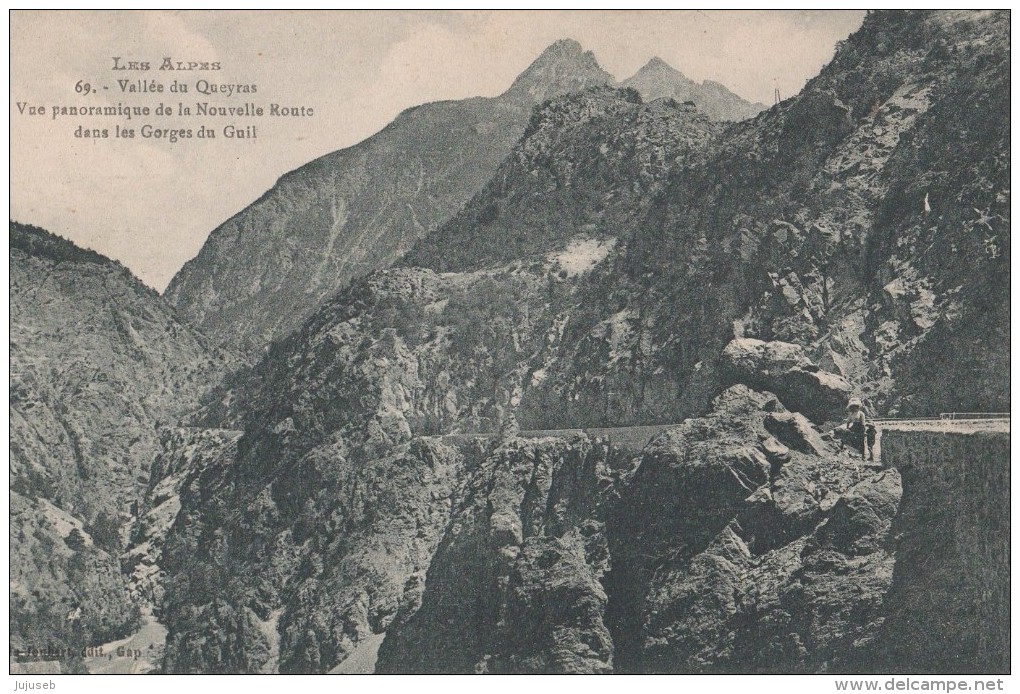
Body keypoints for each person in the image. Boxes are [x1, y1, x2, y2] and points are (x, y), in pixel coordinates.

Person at [843, 397, 876, 461]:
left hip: (860, 428)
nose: (854, 408)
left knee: (861, 442)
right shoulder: (851, 414)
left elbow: (863, 423)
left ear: (857, 406)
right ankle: (853, 454)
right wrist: (847, 428)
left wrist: (863, 431)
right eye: (853, 406)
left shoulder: (861, 413)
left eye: (855, 406)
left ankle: (863, 456)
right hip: (853, 427)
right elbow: (848, 421)